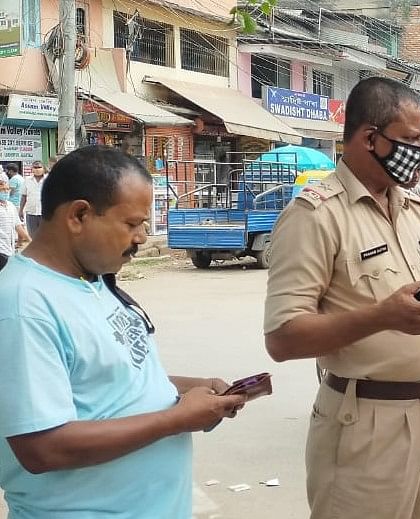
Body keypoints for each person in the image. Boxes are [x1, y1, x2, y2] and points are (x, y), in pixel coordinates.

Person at [264, 77, 420, 519]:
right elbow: (282, 338)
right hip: (366, 425)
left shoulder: (412, 209)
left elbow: (418, 307)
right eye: (411, 140)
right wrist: (383, 316)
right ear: (370, 139)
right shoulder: (316, 217)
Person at [0, 146, 246, 518]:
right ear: (79, 215)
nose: (142, 238)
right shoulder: (24, 305)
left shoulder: (92, 280)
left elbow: (105, 380)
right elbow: (42, 447)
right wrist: (177, 419)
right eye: (132, 224)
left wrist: (188, 389)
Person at [0, 173, 29, 270]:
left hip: (9, 249)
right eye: (2, 190)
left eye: (7, 189)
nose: (6, 192)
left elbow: (18, 226)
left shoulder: (11, 206)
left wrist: (29, 240)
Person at [20, 161, 47, 237]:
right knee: (33, 236)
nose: (37, 169)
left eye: (39, 167)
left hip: (45, 213)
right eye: (35, 167)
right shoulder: (27, 180)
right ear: (32, 169)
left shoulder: (49, 179)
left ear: (43, 169)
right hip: (31, 213)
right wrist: (21, 210)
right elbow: (24, 196)